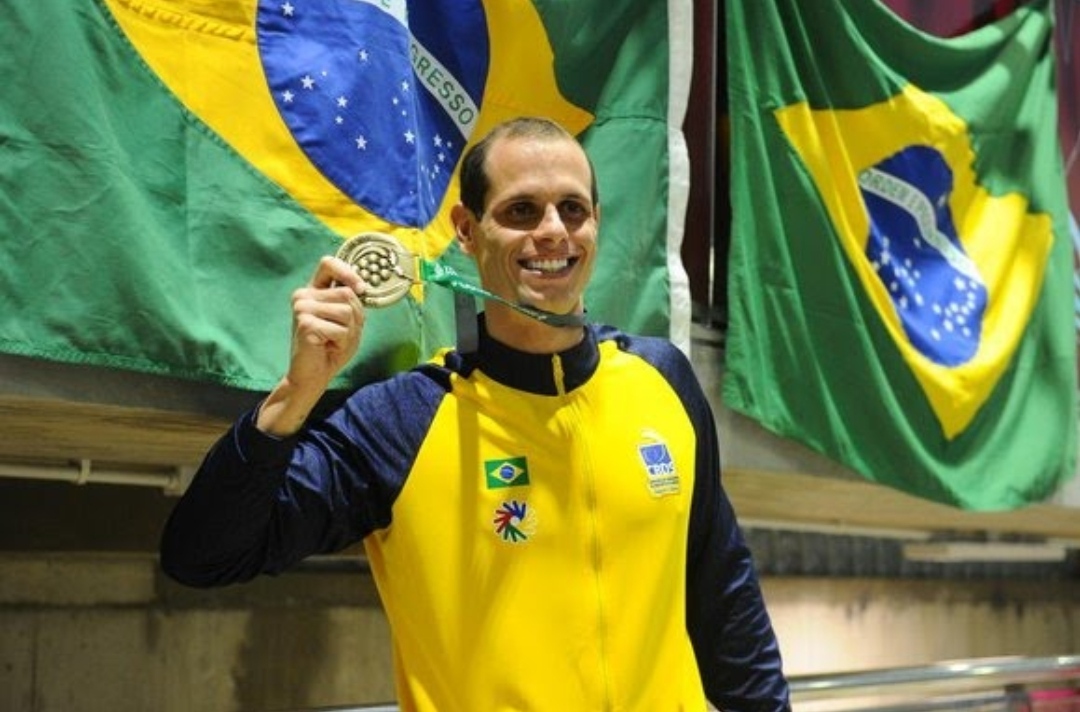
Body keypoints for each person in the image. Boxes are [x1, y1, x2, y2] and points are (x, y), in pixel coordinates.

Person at [160, 116, 791, 712]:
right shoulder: (402, 422)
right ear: (466, 229)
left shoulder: (663, 380)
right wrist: (295, 394)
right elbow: (203, 555)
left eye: (572, 209)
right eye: (521, 211)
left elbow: (723, 594)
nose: (553, 231)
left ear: (596, 222)